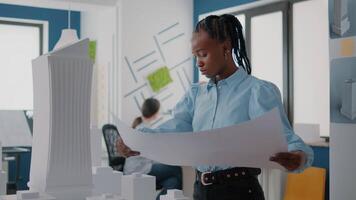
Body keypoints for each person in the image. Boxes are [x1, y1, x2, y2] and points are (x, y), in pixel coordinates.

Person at [118, 14, 314, 200]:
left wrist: (298, 156)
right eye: (195, 56)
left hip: (240, 192)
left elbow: (283, 136)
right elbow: (174, 128)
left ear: (225, 48)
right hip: (201, 190)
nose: (198, 63)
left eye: (203, 54)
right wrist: (138, 141)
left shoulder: (256, 91)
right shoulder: (196, 95)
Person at [117, 98, 182, 200]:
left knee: (173, 181)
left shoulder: (140, 126)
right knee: (176, 169)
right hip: (139, 171)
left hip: (137, 168)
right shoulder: (144, 129)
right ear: (156, 113)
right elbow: (154, 155)